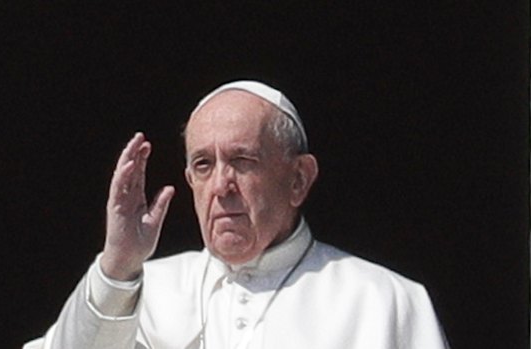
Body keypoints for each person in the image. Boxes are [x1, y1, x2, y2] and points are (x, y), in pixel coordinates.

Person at [24, 80, 449, 349]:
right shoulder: (145, 292)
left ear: (299, 179)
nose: (222, 184)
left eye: (243, 160)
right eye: (204, 165)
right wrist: (117, 265)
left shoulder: (384, 302)